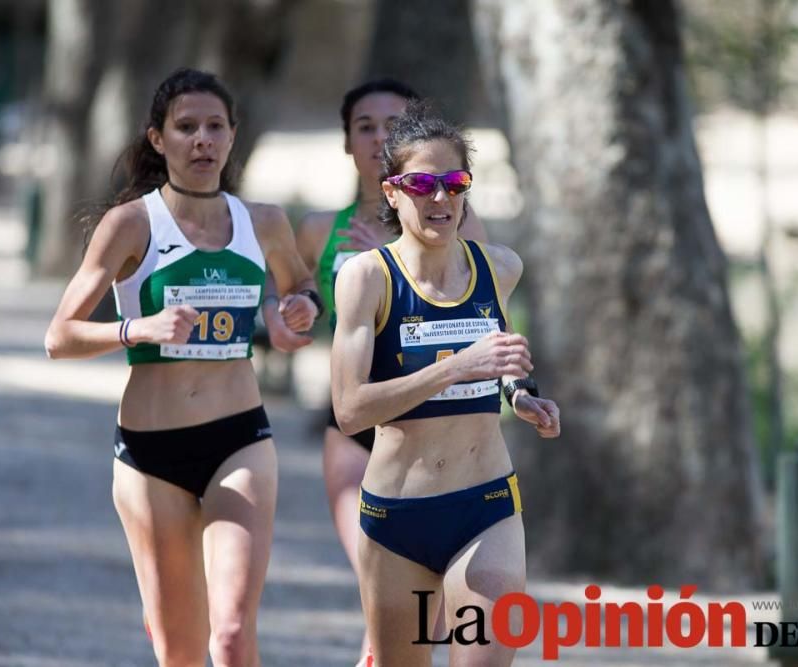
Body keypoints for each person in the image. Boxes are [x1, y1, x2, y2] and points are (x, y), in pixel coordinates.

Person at [44, 67, 319, 667]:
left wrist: (294, 310)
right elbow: (59, 336)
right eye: (186, 127)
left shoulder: (263, 221)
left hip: (239, 439)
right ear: (158, 139)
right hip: (151, 455)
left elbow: (301, 284)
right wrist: (134, 329)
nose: (202, 140)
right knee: (181, 650)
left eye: (214, 127)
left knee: (230, 633)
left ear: (232, 136)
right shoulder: (131, 225)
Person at [330, 102, 561, 666]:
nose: (440, 199)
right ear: (391, 192)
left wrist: (520, 396)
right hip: (396, 518)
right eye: (422, 184)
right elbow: (351, 409)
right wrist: (455, 367)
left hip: (486, 506)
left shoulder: (498, 267)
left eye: (454, 183)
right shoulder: (367, 278)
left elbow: (500, 359)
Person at [288, 78, 487, 664]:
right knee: (378, 586)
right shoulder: (321, 229)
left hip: (438, 428)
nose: (378, 137)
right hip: (353, 423)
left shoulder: (454, 221)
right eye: (365, 127)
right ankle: (382, 635)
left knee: (429, 604)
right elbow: (297, 315)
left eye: (392, 126)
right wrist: (293, 314)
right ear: (347, 142)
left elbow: (485, 314)